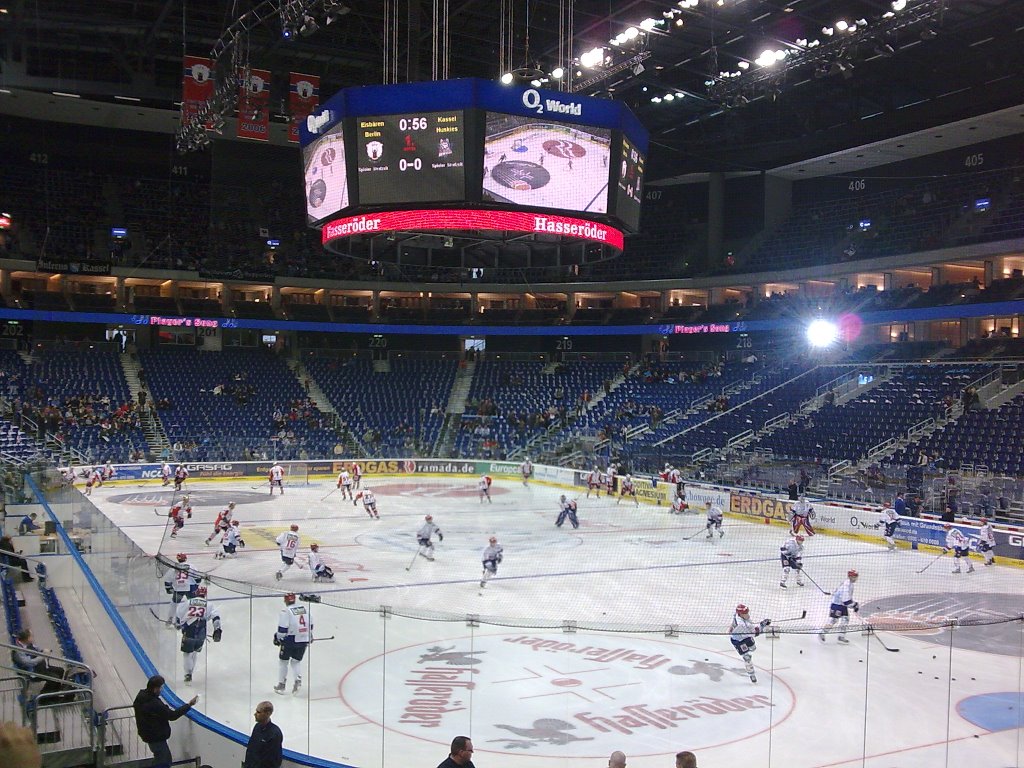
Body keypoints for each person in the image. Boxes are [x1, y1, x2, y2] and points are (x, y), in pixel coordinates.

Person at [133, 674, 198, 768]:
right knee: (163, 762)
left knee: (163, 759)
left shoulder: (142, 697)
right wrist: (189, 705)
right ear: (155, 689)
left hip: (150, 735)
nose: (161, 690)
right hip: (155, 737)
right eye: (161, 687)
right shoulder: (153, 703)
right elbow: (172, 715)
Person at [175, 585, 222, 684]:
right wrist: (217, 629)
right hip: (201, 632)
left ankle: (188, 674)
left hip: (189, 631)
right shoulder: (209, 604)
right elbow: (216, 617)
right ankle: (190, 672)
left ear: (196, 593)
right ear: (205, 595)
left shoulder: (188, 602)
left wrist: (178, 623)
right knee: (195, 651)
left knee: (187, 653)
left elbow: (179, 614)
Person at [275, 593, 311, 695]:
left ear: (285, 600)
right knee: (296, 661)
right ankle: (297, 680)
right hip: (303, 639)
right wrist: (309, 636)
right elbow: (310, 624)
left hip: (290, 640)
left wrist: (277, 638)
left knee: (283, 661)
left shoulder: (286, 611)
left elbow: (282, 630)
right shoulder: (304, 609)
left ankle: (281, 685)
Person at [12, 628, 67, 694]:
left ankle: (54, 692)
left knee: (60, 670)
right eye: (31, 636)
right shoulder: (18, 651)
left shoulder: (29, 644)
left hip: (40, 667)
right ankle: (44, 697)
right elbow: (30, 663)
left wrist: (43, 651)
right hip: (33, 672)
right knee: (55, 678)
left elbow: (37, 649)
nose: (33, 637)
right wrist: (43, 655)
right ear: (27, 638)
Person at [729, 604, 770, 683]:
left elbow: (751, 628)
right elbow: (754, 633)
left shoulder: (742, 617)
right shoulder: (741, 625)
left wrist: (760, 626)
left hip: (745, 636)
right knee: (747, 658)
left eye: (747, 612)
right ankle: (752, 675)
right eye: (745, 613)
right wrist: (762, 626)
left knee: (753, 648)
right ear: (741, 614)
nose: (748, 615)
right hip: (738, 641)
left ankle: (748, 655)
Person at [819, 569, 859, 644]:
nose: (856, 578)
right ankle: (822, 633)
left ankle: (841, 636)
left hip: (842, 605)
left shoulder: (850, 584)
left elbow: (848, 598)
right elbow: (846, 600)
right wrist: (854, 605)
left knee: (845, 619)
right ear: (851, 577)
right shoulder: (846, 585)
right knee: (833, 620)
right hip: (837, 605)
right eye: (855, 576)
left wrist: (854, 604)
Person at [244, 700, 283, 768]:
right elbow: (250, 750)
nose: (255, 714)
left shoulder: (274, 734)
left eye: (258, 712)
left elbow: (273, 761)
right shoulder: (257, 727)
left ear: (267, 713)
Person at [163, 553, 200, 625]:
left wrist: (168, 589)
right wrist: (196, 586)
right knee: (193, 604)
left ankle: (170, 619)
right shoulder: (191, 566)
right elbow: (198, 577)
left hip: (178, 588)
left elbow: (167, 580)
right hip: (190, 588)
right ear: (186, 559)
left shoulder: (173, 568)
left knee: (174, 604)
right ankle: (195, 620)